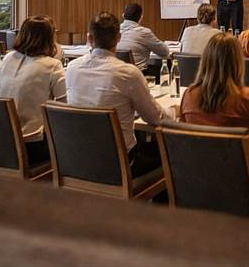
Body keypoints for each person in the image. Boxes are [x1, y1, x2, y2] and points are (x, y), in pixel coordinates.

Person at [179, 32, 249, 209]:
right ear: (238, 61)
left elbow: (183, 133)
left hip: (198, 183)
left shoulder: (189, 95)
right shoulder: (246, 98)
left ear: (205, 60)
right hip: (240, 188)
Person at [67, 12, 174, 177]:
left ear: (89, 38)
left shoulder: (71, 68)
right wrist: (174, 113)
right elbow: (155, 118)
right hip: (121, 165)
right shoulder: (128, 73)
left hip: (78, 160)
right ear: (118, 38)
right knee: (170, 153)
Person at [0, 15, 66, 164]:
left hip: (2, 141)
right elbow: (64, 107)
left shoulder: (8, 58)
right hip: (31, 145)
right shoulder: (52, 65)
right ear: (50, 38)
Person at [118, 2, 170, 73]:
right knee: (165, 66)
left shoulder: (114, 31)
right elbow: (165, 52)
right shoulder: (144, 33)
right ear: (141, 17)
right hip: (138, 74)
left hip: (117, 74)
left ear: (123, 16)